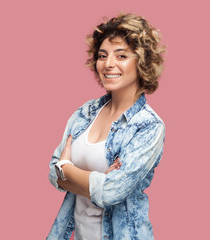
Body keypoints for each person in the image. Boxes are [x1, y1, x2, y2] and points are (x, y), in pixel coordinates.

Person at [47, 12, 166, 240]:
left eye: (121, 55)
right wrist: (94, 179)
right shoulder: (85, 113)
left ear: (142, 62)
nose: (108, 64)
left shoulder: (149, 126)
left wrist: (68, 169)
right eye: (103, 55)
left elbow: (111, 192)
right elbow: (54, 174)